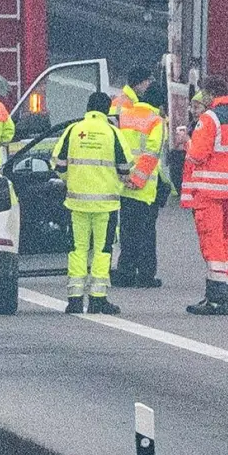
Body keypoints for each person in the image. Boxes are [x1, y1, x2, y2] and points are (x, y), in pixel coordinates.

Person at [179, 76, 228, 315]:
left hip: (209, 192)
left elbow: (197, 155)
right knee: (223, 242)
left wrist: (187, 144)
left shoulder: (209, 119)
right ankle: (216, 295)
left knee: (212, 246)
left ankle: (218, 297)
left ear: (211, 94)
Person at [52, 92, 133, 315]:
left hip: (76, 203)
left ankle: (75, 299)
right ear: (107, 110)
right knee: (102, 250)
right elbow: (126, 167)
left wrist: (73, 180)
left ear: (88, 107)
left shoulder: (73, 130)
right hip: (106, 205)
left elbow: (58, 165)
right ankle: (98, 299)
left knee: (77, 249)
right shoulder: (113, 133)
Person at [111, 82, 168, 289]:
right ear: (160, 103)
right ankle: (145, 275)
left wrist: (124, 176)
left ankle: (125, 272)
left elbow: (116, 146)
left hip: (123, 184)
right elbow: (152, 154)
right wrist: (138, 179)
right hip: (143, 188)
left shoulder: (125, 115)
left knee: (127, 231)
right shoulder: (156, 121)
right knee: (146, 233)